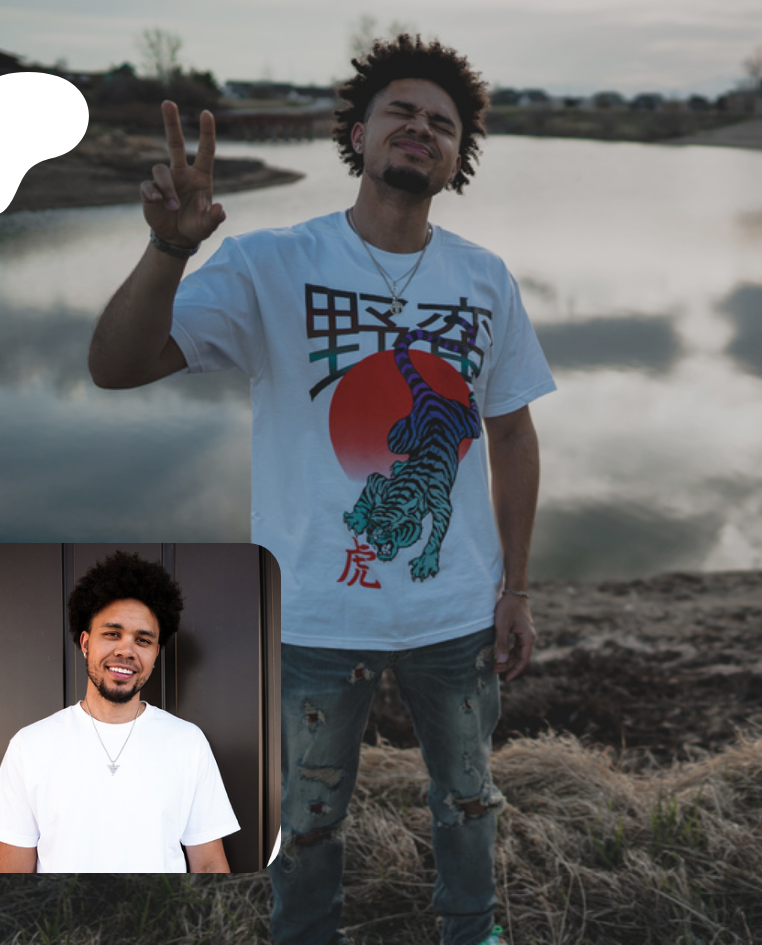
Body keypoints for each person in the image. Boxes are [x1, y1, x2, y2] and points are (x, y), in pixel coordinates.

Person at [86, 33, 553, 945]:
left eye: (443, 123)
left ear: (459, 157)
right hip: (308, 613)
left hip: (456, 611)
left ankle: (473, 931)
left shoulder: (485, 278)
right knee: (303, 821)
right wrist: (167, 249)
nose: (421, 128)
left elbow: (511, 431)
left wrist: (519, 588)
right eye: (401, 111)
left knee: (468, 798)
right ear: (357, 134)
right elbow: (118, 364)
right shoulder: (269, 265)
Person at [0, 551, 239, 873]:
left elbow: (210, 864)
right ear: (86, 643)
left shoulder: (188, 742)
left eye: (142, 640)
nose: (126, 650)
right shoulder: (30, 745)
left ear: (155, 654)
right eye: (112, 634)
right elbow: (11, 873)